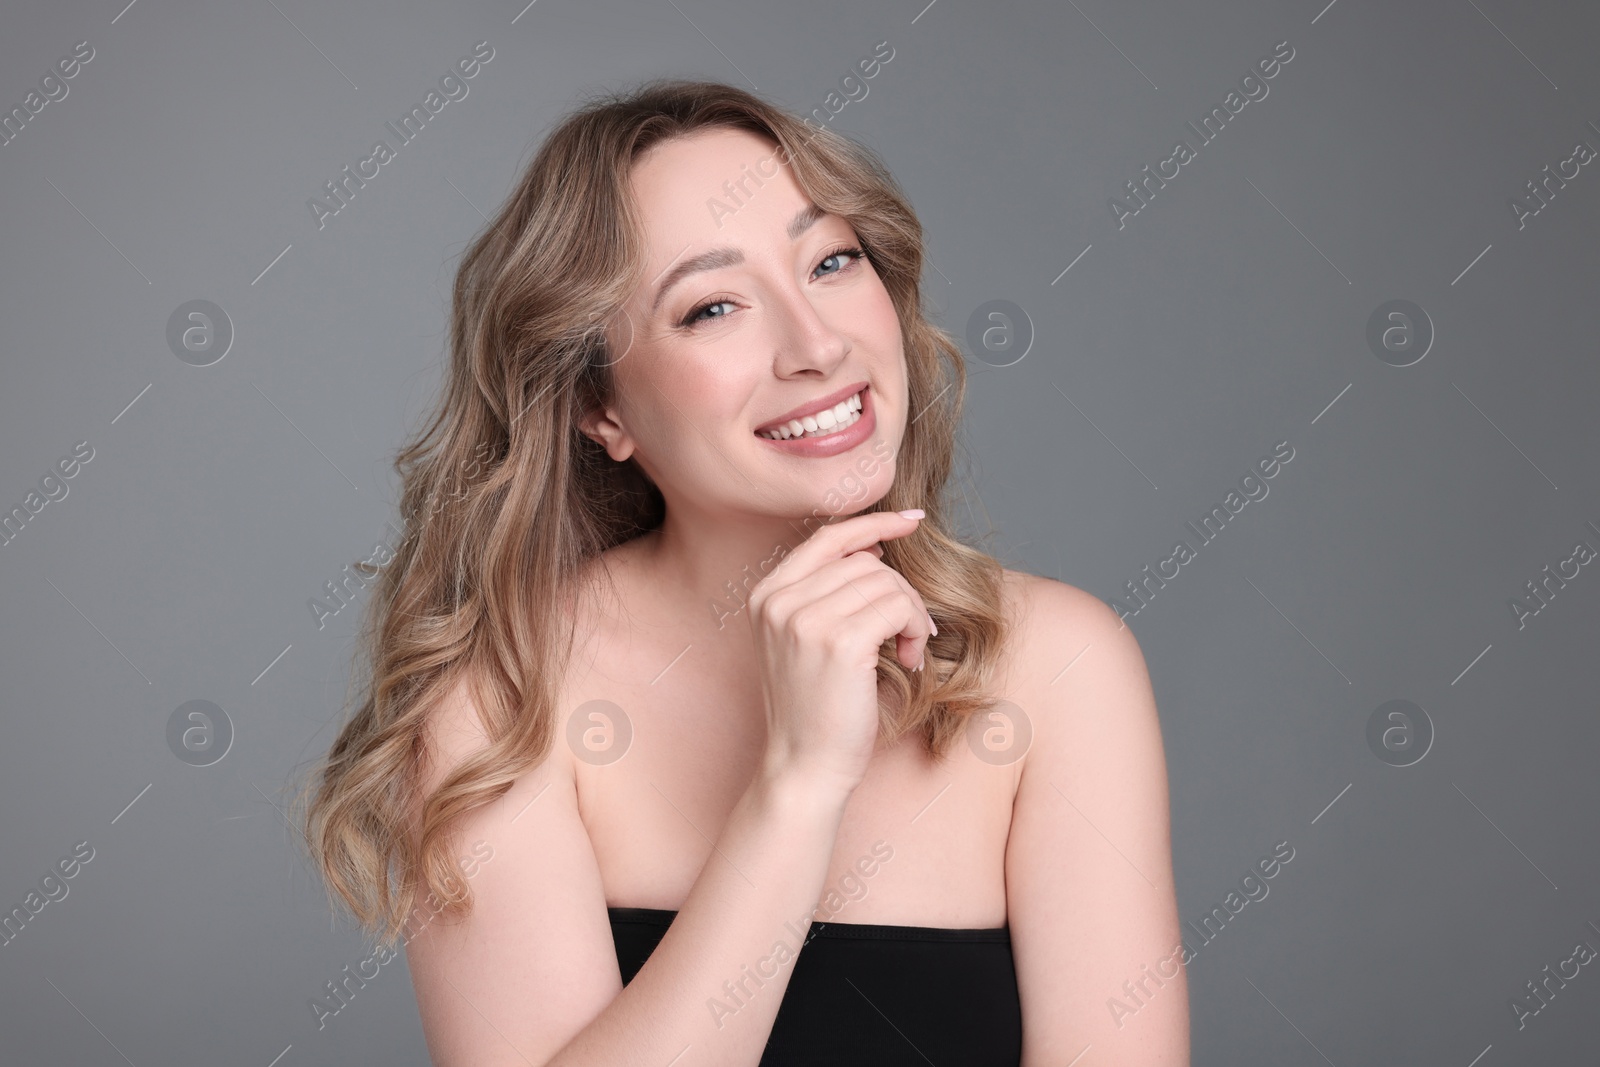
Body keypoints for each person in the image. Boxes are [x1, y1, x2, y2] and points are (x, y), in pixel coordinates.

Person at [296, 78, 1190, 1066]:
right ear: (603, 409)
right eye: (712, 305)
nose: (817, 344)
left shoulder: (1060, 666)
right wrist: (798, 783)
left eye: (831, 260)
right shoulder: (504, 704)